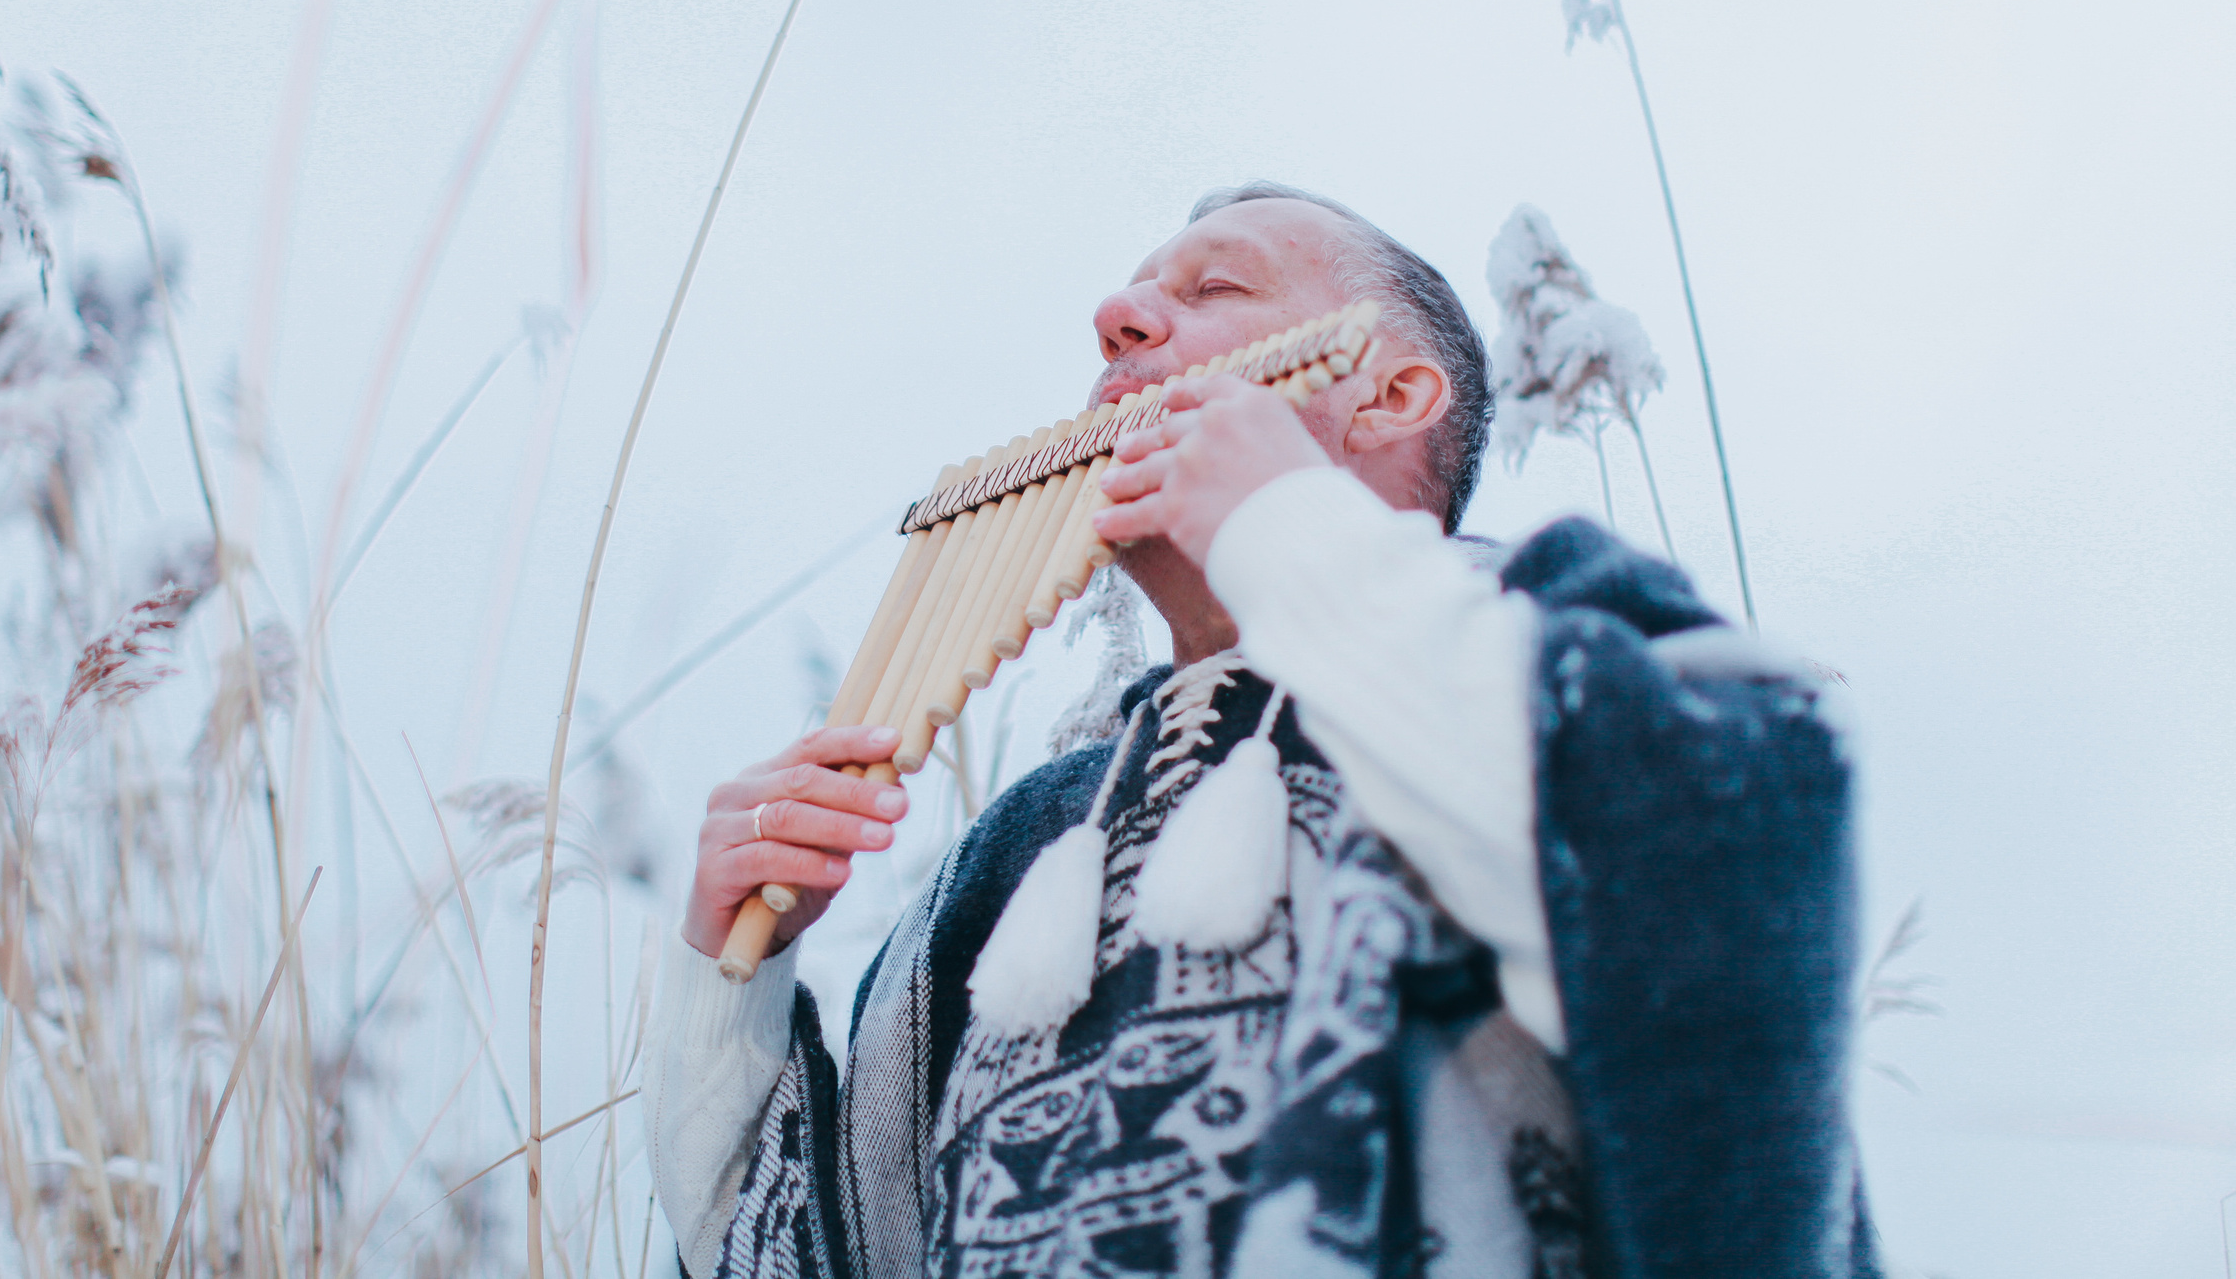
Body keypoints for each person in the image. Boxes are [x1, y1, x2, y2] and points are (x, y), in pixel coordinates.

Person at [646, 182, 1879, 1278]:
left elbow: (1735, 855)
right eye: (1131, 297)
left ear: (1392, 393)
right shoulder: (1023, 846)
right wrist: (723, 986)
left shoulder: (1561, 627)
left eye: (1212, 286)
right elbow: (804, 1255)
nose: (1116, 319)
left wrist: (1286, 528)